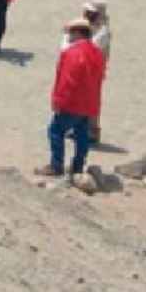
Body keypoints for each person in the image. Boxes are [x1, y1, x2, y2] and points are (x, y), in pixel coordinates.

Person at [40, 19, 107, 179]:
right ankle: (78, 165)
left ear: (77, 32)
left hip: (73, 102)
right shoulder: (96, 53)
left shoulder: (72, 53)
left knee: (55, 131)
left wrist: (58, 100)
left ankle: (56, 165)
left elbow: (66, 79)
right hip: (89, 102)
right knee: (81, 135)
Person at [65, 0, 112, 142]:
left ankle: (92, 131)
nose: (85, 13)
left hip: (93, 70)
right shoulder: (88, 27)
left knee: (91, 99)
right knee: (79, 97)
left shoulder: (103, 31)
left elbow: (91, 48)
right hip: (82, 68)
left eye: (89, 11)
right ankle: (78, 127)